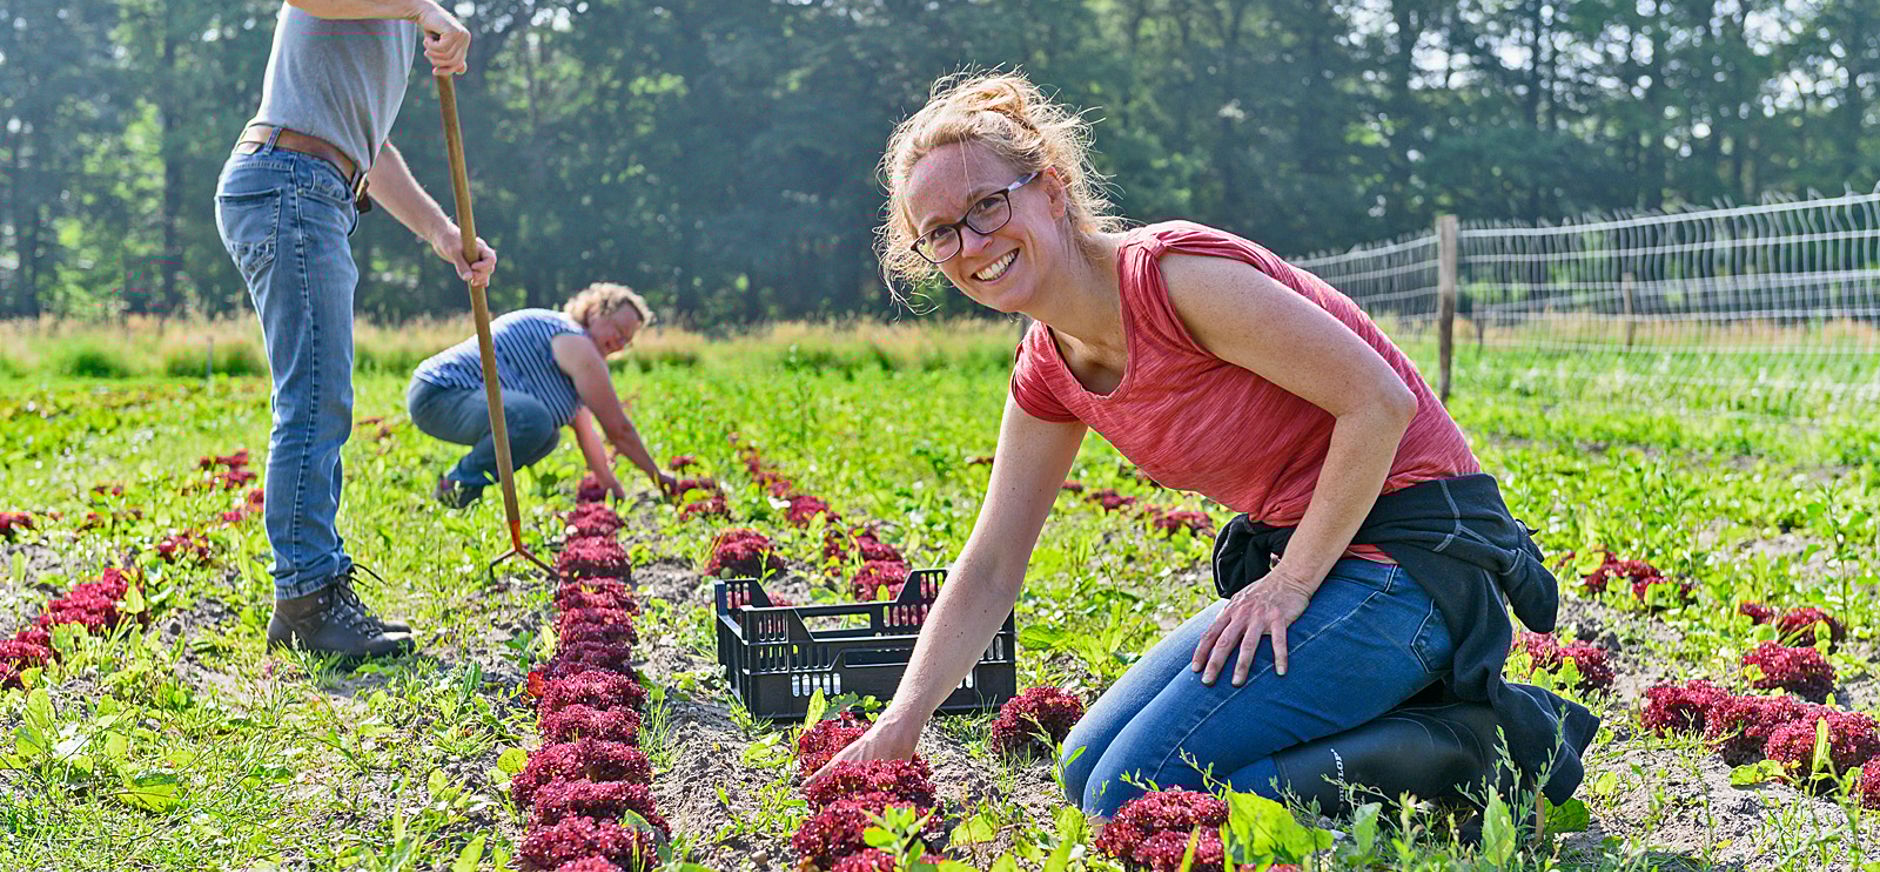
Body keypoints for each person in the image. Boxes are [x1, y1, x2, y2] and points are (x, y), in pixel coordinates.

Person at [813, 72, 1595, 818]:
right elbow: (992, 562)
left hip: (1416, 564)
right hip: (1330, 565)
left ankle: (1471, 750)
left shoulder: (1175, 279)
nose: (972, 243)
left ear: (1050, 190)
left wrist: (1287, 586)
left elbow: (1379, 402)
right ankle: (1389, 719)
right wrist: (903, 721)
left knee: (1132, 798)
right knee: (1086, 769)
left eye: (987, 204)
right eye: (940, 234)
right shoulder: (1050, 365)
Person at [214, 0, 497, 659]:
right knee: (314, 398)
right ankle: (308, 602)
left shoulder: (396, 20)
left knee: (320, 393)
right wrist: (423, 10)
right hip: (290, 179)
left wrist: (443, 234)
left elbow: (371, 147)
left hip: (319, 184)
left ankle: (310, 596)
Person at [408, 282, 680, 507]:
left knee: (547, 435)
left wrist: (614, 490)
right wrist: (656, 475)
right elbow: (618, 429)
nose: (620, 343)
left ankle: (460, 496)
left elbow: (588, 436)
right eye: (619, 331)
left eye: (627, 342)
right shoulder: (576, 342)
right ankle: (455, 485)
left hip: (452, 399)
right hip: (441, 392)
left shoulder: (574, 363)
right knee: (535, 421)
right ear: (597, 312)